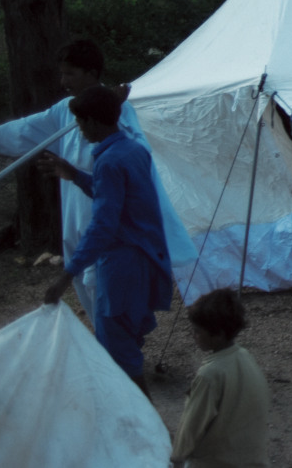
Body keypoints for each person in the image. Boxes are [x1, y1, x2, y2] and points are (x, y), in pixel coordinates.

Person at [0, 40, 193, 313]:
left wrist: (114, 109)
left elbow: (137, 153)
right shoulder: (65, 110)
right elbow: (22, 132)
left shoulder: (119, 110)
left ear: (92, 73)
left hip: (108, 218)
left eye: (70, 74)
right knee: (85, 284)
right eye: (62, 74)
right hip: (75, 214)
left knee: (107, 291)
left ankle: (115, 335)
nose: (64, 81)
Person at [40, 86, 172, 391]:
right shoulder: (133, 150)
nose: (80, 130)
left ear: (93, 121)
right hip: (144, 260)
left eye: (81, 123)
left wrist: (67, 275)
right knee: (126, 343)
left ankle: (143, 417)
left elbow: (103, 225)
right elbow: (119, 199)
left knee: (119, 354)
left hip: (121, 266)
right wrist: (75, 175)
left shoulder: (109, 161)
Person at [172, 287, 271, 468]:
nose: (193, 336)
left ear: (218, 333)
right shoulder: (245, 356)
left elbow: (191, 426)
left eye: (197, 331)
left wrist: (176, 457)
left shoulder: (210, 374)